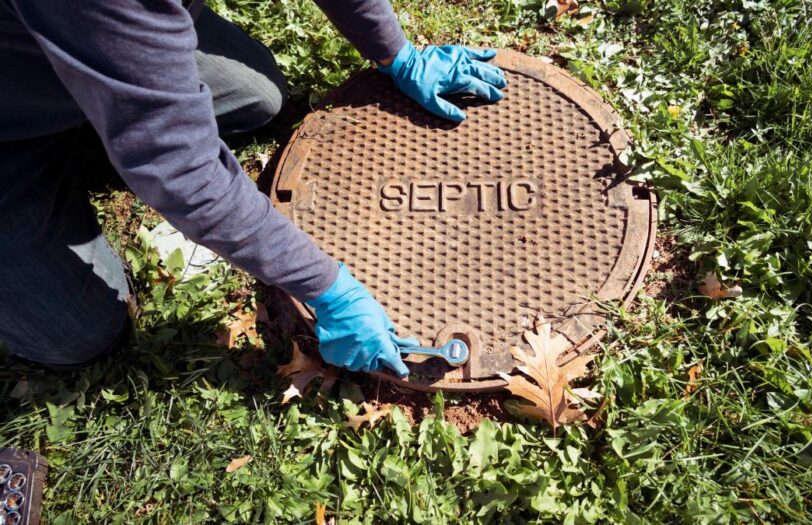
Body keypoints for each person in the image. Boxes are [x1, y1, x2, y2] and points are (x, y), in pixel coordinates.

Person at [0, 0, 506, 376]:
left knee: (258, 97)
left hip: (97, 28)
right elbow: (182, 171)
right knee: (76, 334)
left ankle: (122, 90)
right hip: (13, 117)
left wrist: (395, 53)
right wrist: (326, 288)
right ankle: (117, 102)